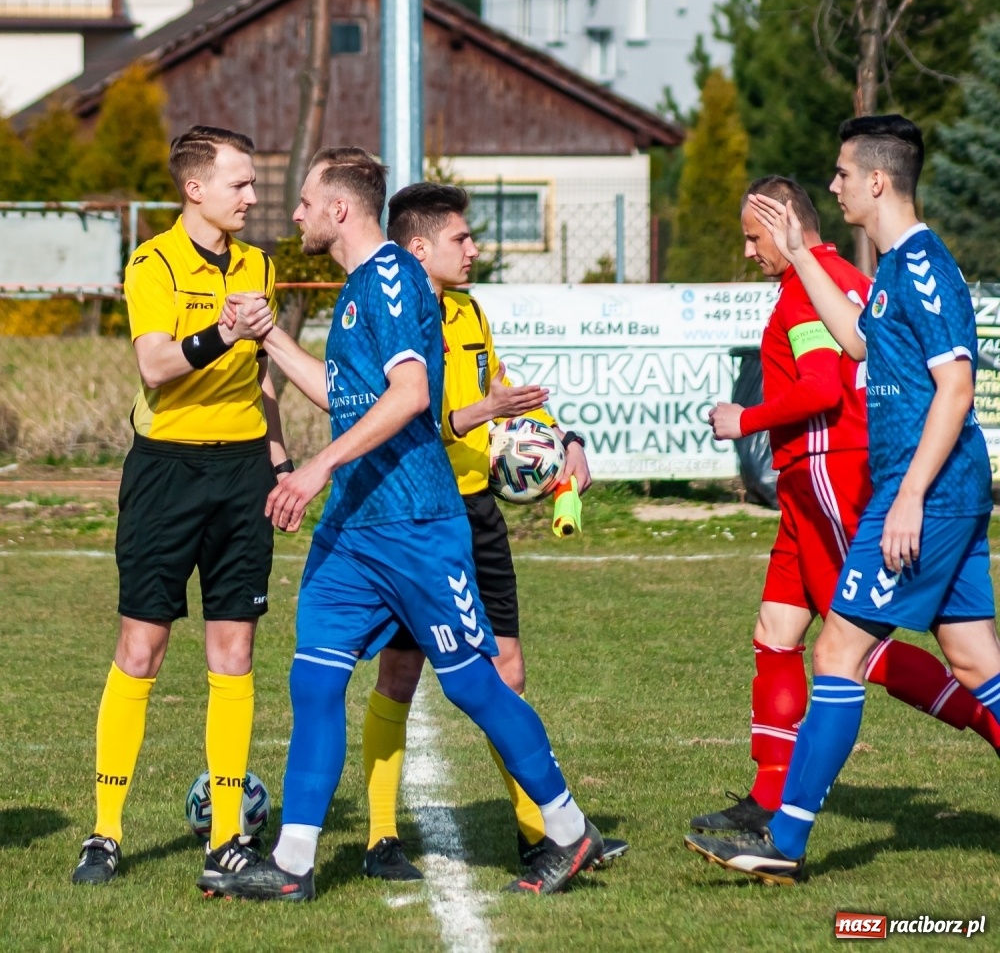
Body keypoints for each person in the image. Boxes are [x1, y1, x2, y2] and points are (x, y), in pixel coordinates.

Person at [199, 148, 608, 902]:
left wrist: (316, 468)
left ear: (341, 209)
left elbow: (412, 395)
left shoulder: (389, 278)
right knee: (313, 678)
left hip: (417, 523)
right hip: (355, 529)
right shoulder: (361, 287)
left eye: (305, 201)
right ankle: (291, 863)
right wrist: (270, 337)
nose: (294, 214)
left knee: (474, 687)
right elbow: (343, 395)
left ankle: (567, 826)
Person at [687, 116, 1000, 884]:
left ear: (878, 181)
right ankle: (781, 830)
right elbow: (860, 341)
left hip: (925, 489)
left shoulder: (924, 267)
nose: (833, 185)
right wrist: (800, 254)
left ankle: (783, 839)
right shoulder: (892, 266)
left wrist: (908, 498)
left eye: (841, 174)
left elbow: (956, 389)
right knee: (973, 659)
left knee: (837, 651)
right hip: (937, 489)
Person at [358, 181, 621, 881]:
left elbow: (498, 382)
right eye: (461, 238)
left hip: (477, 511)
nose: (474, 249)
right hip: (418, 513)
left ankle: (543, 832)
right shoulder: (404, 318)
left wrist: (563, 436)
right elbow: (422, 421)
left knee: (510, 669)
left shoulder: (471, 310)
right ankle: (381, 837)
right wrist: (484, 412)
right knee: (401, 672)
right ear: (419, 247)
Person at [73, 125, 289, 888]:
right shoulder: (152, 261)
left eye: (255, 182)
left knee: (234, 654)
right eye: (241, 183)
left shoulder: (261, 264)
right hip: (165, 472)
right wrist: (223, 328)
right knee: (143, 649)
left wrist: (279, 451)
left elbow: (264, 370)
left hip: (241, 475)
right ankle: (103, 832)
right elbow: (157, 363)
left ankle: (227, 837)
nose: (254, 196)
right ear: (194, 187)